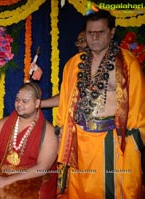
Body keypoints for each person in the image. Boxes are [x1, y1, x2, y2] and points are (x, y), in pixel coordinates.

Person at [57, 9, 145, 198]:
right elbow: (64, 107)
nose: (94, 37)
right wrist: (62, 136)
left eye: (101, 32)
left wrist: (131, 147)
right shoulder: (73, 65)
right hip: (79, 142)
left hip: (111, 143)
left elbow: (139, 114)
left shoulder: (128, 65)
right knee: (78, 192)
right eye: (90, 33)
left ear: (112, 32)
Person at [40, 29, 87, 108]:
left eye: (82, 40)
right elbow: (66, 96)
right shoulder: (72, 65)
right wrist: (38, 104)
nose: (78, 45)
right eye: (77, 41)